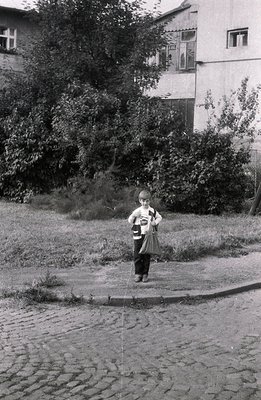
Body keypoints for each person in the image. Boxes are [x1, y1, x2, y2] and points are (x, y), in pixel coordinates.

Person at [128, 190, 162, 283]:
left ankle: (145, 274)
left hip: (148, 236)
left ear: (149, 201)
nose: (145, 203)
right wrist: (134, 216)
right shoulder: (137, 211)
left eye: (147, 201)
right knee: (137, 255)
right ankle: (138, 274)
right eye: (143, 201)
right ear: (140, 201)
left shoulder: (152, 211)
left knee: (146, 256)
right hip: (138, 236)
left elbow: (159, 217)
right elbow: (130, 221)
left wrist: (155, 222)